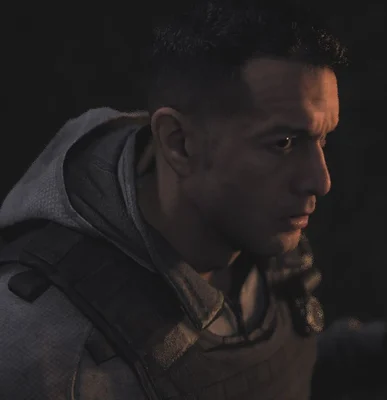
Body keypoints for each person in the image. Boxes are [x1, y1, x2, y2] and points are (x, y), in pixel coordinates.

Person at [0, 1, 347, 399]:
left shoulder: (260, 223)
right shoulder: (43, 346)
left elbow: (275, 364)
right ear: (179, 143)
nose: (320, 181)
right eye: (283, 142)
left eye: (322, 139)